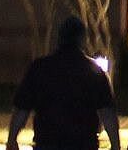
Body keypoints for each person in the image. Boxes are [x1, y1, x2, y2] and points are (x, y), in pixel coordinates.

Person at [8, 15, 120, 150]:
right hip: (83, 143)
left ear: (59, 39)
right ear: (82, 39)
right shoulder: (94, 71)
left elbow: (22, 108)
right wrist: (115, 144)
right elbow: (107, 112)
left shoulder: (40, 68)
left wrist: (12, 139)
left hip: (48, 142)